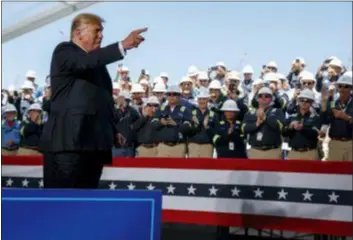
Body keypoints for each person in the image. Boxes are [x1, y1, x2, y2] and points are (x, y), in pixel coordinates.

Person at [40, 13, 147, 189]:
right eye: (96, 30)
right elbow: (85, 62)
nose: (101, 35)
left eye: (102, 31)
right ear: (78, 33)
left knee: (86, 204)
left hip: (93, 145)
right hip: (68, 145)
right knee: (62, 204)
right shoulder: (64, 51)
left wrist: (112, 131)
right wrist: (122, 46)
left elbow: (100, 100)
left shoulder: (97, 65)